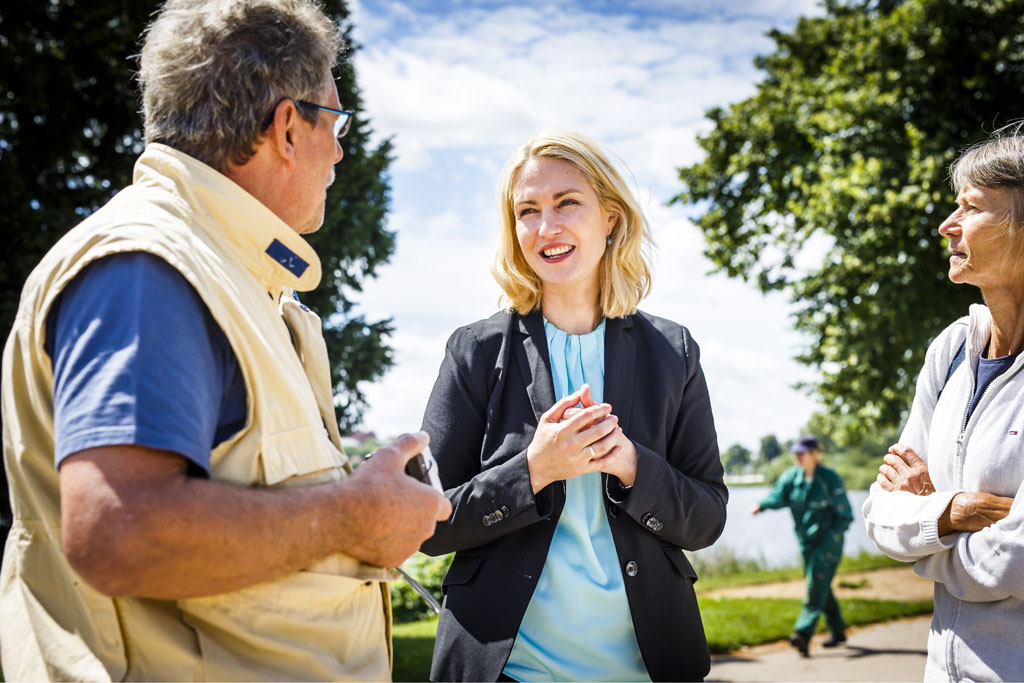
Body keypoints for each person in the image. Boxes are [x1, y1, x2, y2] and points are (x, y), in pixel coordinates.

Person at [0, 1, 451, 680]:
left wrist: (359, 505)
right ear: (288, 127)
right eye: (337, 121)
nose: (342, 147)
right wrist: (353, 516)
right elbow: (120, 534)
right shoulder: (149, 266)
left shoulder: (229, 279)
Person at [418, 129, 728, 682]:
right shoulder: (474, 350)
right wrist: (534, 471)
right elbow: (427, 521)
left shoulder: (673, 350)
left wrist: (633, 466)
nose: (546, 227)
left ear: (609, 218)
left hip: (649, 668)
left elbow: (706, 518)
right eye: (528, 211)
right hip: (509, 670)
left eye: (567, 203)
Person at [862, 125, 1024, 682]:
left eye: (971, 208)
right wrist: (957, 511)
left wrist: (926, 520)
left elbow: (1016, 557)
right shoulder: (954, 346)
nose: (945, 226)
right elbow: (879, 514)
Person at [751, 434, 853, 657]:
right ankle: (838, 632)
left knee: (815, 583)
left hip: (827, 542)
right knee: (821, 584)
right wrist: (762, 505)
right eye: (795, 452)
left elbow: (845, 516)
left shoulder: (830, 479)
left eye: (802, 452)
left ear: (816, 454)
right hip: (805, 542)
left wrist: (833, 536)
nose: (797, 456)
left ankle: (802, 634)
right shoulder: (791, 476)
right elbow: (778, 495)